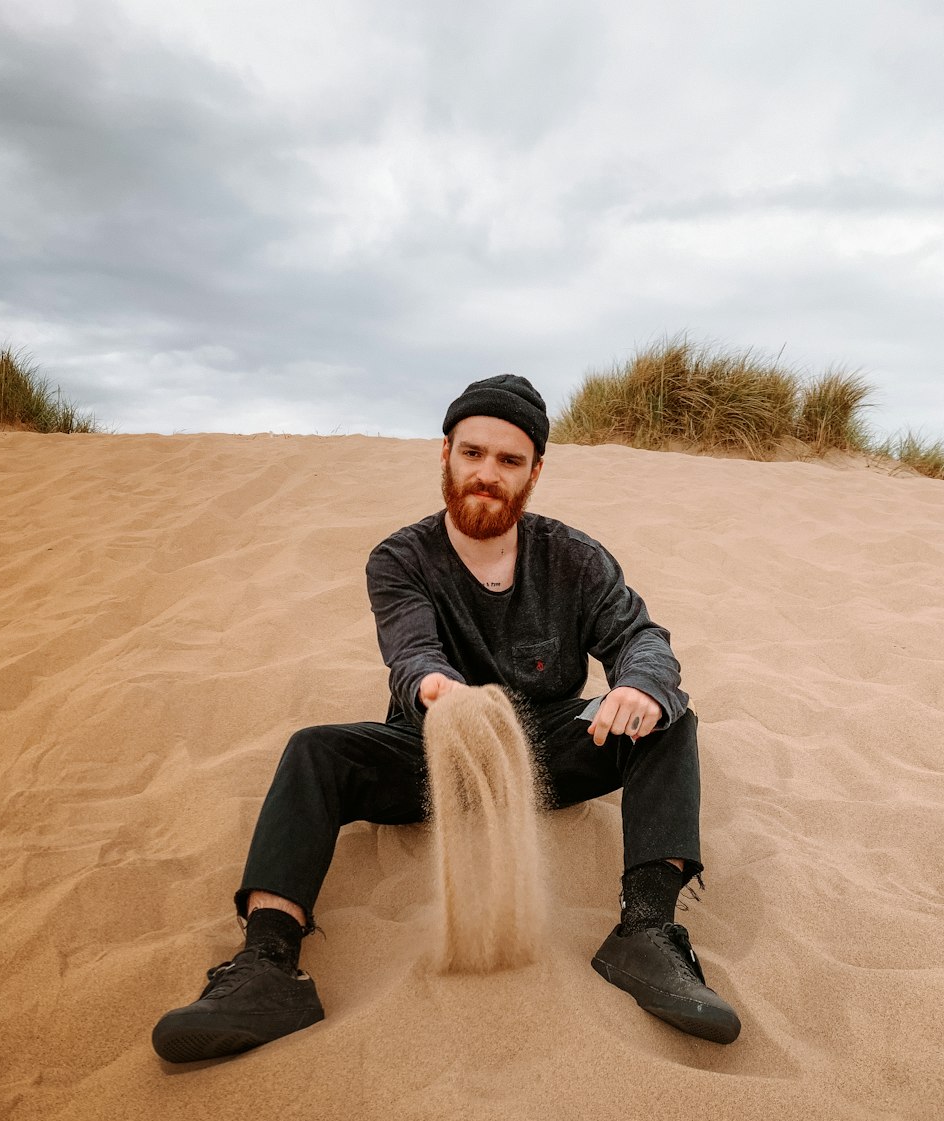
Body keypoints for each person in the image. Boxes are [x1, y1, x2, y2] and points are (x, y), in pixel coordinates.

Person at [152, 374, 740, 1063]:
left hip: (541, 753)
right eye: (473, 453)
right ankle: (266, 964)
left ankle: (646, 931)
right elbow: (411, 650)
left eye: (509, 460)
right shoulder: (400, 558)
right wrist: (442, 690)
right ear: (446, 455)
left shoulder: (575, 558)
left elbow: (641, 636)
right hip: (428, 752)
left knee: (670, 720)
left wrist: (639, 686)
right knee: (314, 751)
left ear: (535, 471)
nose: (487, 474)